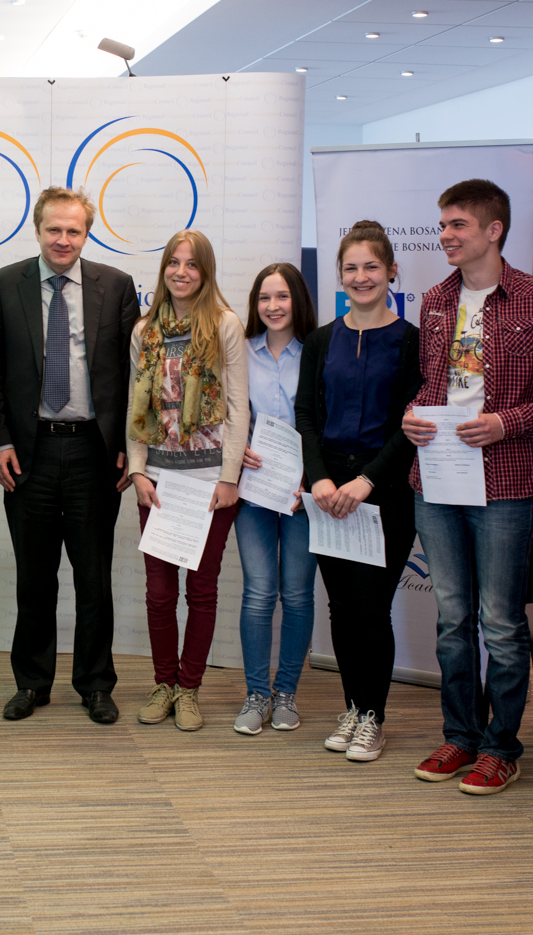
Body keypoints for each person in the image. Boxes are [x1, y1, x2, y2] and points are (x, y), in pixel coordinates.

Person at [403, 179, 533, 795]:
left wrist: (509, 422)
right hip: (438, 476)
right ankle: (461, 737)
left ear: (493, 230)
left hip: (507, 481)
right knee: (453, 619)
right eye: (443, 225)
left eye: (457, 225)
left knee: (501, 622)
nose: (446, 236)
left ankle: (501, 748)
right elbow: (431, 385)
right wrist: (412, 414)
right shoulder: (432, 300)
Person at [0, 187, 140, 725]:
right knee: (35, 577)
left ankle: (96, 683)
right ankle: (31, 682)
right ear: (38, 229)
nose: (64, 239)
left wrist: (128, 447)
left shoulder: (115, 287)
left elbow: (132, 375)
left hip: (95, 454)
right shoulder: (5, 284)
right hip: (30, 454)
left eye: (74, 230)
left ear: (87, 233)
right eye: (54, 229)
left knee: (94, 579)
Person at [296, 221, 421, 763]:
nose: (361, 276)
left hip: (385, 487)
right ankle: (351, 706)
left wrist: (367, 480)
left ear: (392, 271)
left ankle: (372, 716)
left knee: (372, 608)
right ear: (339, 276)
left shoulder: (412, 340)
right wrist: (319, 477)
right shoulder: (323, 340)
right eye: (351, 267)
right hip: (326, 490)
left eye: (372, 266)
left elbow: (412, 425)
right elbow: (306, 414)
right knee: (342, 608)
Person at [127, 230, 248, 732]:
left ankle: (190, 689)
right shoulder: (143, 331)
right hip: (157, 479)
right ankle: (163, 683)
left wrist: (229, 477)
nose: (181, 272)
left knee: (201, 591)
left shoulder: (225, 325)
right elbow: (136, 408)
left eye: (192, 264)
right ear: (163, 271)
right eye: (173, 263)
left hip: (209, 483)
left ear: (206, 271)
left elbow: (239, 406)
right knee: (159, 593)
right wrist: (136, 469)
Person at [231, 262, 320, 735]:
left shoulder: (320, 350)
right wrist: (236, 448)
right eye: (264, 298)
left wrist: (316, 474)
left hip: (306, 493)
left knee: (299, 595)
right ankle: (256, 695)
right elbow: (227, 415)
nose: (273, 307)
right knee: (259, 593)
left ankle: (286, 693)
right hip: (256, 491)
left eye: (282, 297)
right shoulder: (242, 352)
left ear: (297, 300)